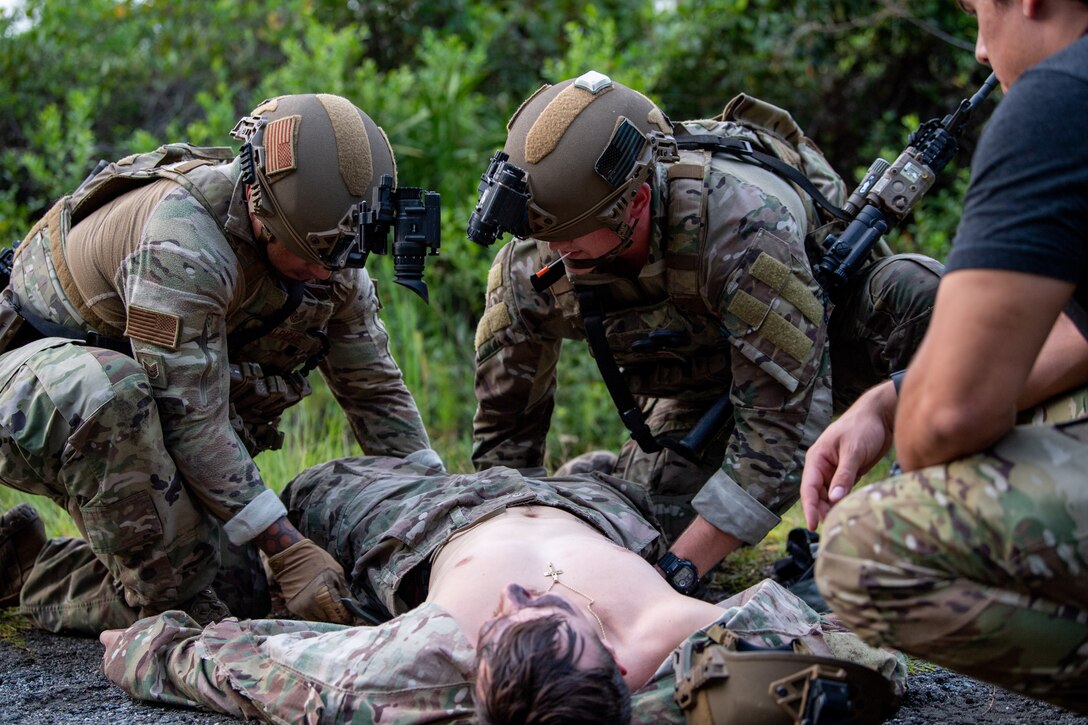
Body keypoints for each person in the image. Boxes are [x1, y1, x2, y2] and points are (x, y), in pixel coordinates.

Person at [469, 70, 944, 589]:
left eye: (571, 238)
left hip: (832, 347)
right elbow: (504, 441)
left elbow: (782, 427)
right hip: (706, 384)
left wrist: (675, 574)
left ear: (636, 203)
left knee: (919, 297)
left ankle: (925, 524)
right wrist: (507, 541)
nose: (555, 253)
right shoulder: (530, 266)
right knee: (659, 518)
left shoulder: (741, 227)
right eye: (544, 238)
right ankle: (602, 480)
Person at [0, 93, 442, 634]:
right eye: (312, 254)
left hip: (148, 417)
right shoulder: (184, 244)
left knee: (242, 589)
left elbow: (375, 391)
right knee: (186, 604)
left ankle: (26, 553)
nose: (329, 271)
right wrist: (284, 547)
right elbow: (191, 419)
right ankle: (32, 577)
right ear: (259, 209)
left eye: (345, 254)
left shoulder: (332, 251)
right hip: (41, 398)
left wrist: (434, 510)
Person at [100, 455, 904, 723]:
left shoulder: (423, 651)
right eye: (546, 615)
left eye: (505, 621)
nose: (517, 594)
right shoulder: (680, 631)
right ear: (621, 665)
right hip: (598, 502)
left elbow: (266, 672)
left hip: (427, 518)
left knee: (309, 488)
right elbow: (866, 659)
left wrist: (145, 648)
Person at [800, 0, 1088, 713]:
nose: (981, 54)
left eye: (977, 11)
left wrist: (914, 409)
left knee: (862, 547)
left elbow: (947, 420)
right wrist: (889, 395)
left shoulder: (1063, 94)